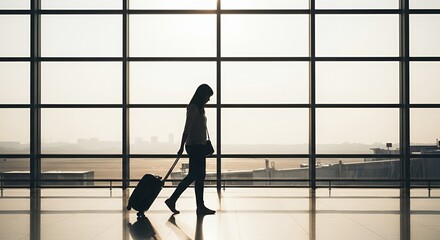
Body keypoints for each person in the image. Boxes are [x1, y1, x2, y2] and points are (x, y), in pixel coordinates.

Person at [165, 84, 216, 215]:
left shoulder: (199, 109)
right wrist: (181, 146)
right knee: (195, 175)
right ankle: (174, 200)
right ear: (202, 95)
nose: (208, 100)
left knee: (199, 176)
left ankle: (199, 206)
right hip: (195, 146)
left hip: (199, 145)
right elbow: (187, 128)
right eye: (208, 97)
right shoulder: (193, 108)